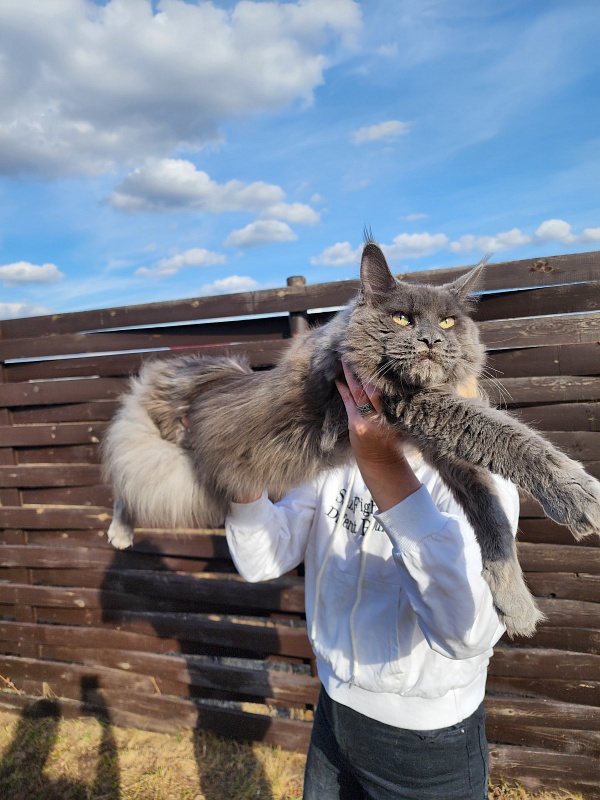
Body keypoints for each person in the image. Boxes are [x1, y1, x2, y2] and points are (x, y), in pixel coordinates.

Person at [224, 362, 519, 800]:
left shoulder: (478, 476)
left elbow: (465, 633)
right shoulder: (333, 456)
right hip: (334, 709)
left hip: (425, 742)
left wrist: (381, 464)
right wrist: (240, 471)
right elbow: (262, 559)